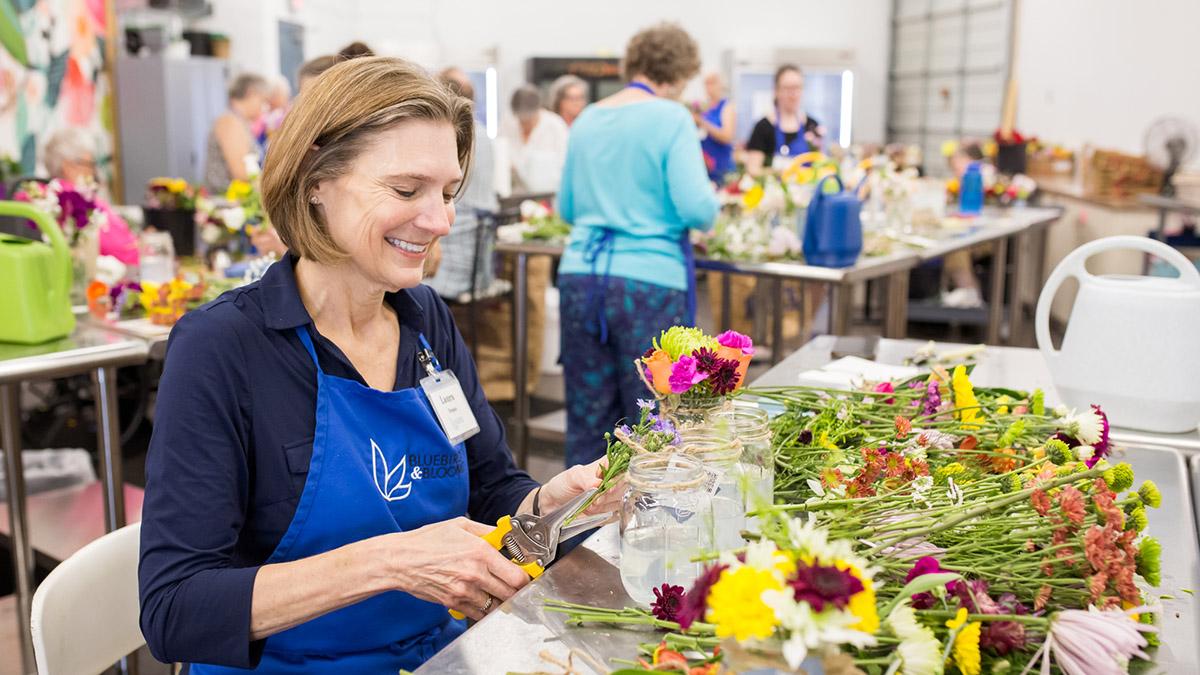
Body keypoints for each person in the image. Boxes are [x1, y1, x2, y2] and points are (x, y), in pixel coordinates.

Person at [138, 57, 619, 673]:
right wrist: (391, 562)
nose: (441, 220)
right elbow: (174, 610)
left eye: (448, 193)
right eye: (405, 189)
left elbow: (491, 487)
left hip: (439, 655)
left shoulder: (425, 320)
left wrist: (551, 503)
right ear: (315, 178)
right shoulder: (223, 347)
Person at [557, 23, 719, 467]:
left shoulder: (589, 117)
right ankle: (647, 527)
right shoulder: (670, 117)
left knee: (588, 416)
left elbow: (566, 209)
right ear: (680, 73)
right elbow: (698, 209)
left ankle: (575, 528)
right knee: (652, 421)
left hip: (580, 278)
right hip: (648, 283)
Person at [41, 127, 138, 265]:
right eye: (89, 164)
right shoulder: (76, 200)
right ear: (68, 166)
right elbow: (120, 250)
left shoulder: (44, 196)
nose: (92, 172)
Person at [744, 64, 823, 176]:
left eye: (797, 88)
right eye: (788, 88)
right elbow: (753, 169)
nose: (793, 94)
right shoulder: (763, 127)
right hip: (774, 191)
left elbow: (819, 165)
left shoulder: (812, 125)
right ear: (776, 91)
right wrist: (783, 173)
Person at [205, 73, 268, 193]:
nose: (264, 107)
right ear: (251, 93)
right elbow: (241, 173)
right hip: (226, 203)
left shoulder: (238, 121)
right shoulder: (230, 122)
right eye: (262, 100)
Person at [502, 84, 569, 194]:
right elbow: (499, 153)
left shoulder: (556, 126)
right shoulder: (507, 123)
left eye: (528, 120)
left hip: (547, 197)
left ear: (538, 109)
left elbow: (564, 165)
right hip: (514, 195)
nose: (524, 124)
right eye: (520, 120)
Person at [693, 72, 736, 184]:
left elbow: (727, 136)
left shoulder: (727, 106)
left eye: (712, 82)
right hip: (704, 166)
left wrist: (702, 122)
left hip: (721, 167)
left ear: (721, 85)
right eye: (706, 83)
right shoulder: (702, 107)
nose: (709, 87)